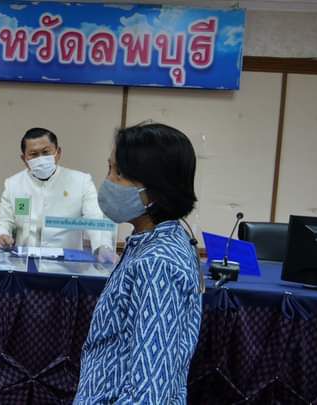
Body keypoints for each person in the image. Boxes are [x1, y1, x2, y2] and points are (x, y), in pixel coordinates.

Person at [74, 123, 203, 404]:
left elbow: (149, 391)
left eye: (119, 174)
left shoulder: (157, 263)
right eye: (109, 169)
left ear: (154, 190)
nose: (108, 182)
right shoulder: (148, 242)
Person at [0, 127, 114, 260]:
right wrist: (0, 235)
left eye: (45, 152)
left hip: (67, 265)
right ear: (24, 159)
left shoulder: (81, 182)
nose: (41, 158)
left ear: (58, 153)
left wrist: (103, 247)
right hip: (24, 263)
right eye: (33, 154)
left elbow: (95, 218)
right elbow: (3, 221)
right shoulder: (13, 184)